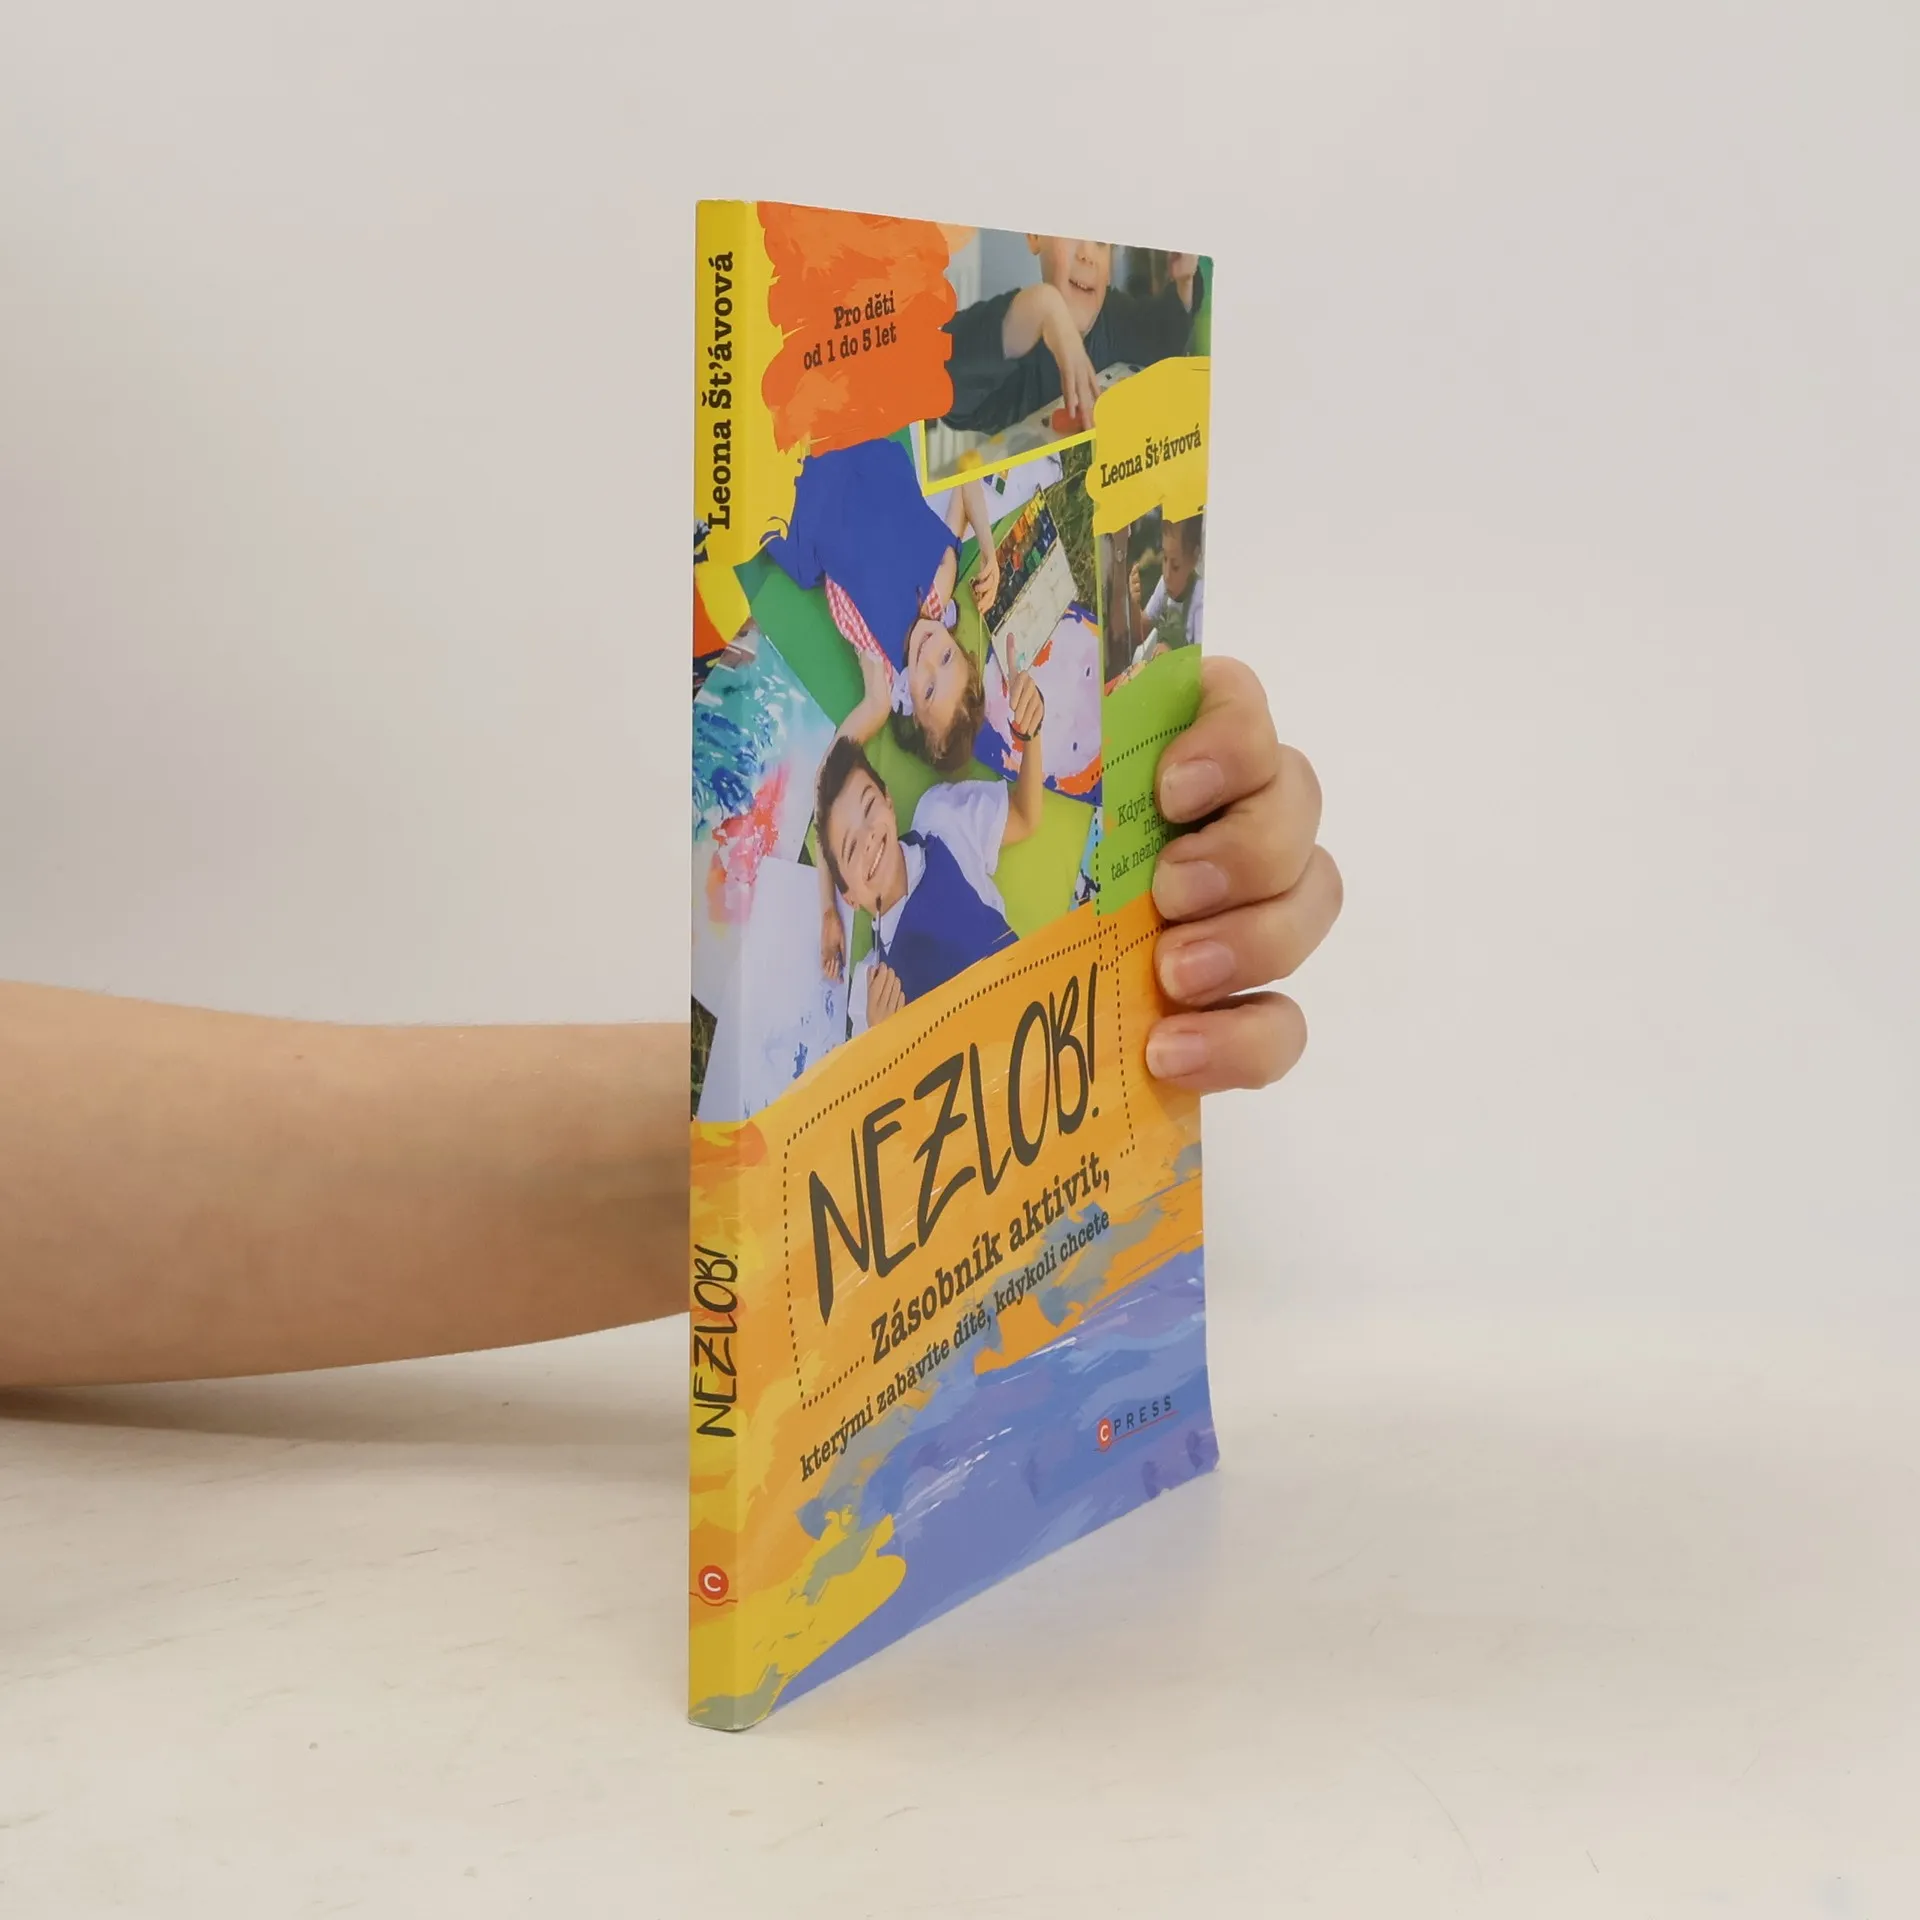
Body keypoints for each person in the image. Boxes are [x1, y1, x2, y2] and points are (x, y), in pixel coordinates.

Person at [0, 657, 1340, 1389]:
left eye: (868, 822)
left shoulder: (940, 838)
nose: (870, 842)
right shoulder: (860, 957)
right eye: (850, 840)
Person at [811, 651, 1046, 1031]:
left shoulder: (940, 816)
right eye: (851, 849)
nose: (868, 839)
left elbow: (1024, 817)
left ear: (889, 801)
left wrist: (1030, 732)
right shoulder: (868, 993)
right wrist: (885, 1040)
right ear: (848, 897)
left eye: (869, 807)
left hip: (1038, 1020)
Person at [759, 436, 1002, 773]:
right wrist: (989, 550)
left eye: (929, 689)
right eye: (947, 657)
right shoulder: (941, 583)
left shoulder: (882, 669)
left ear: (911, 710)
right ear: (958, 645)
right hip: (859, 450)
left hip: (810, 502)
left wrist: (822, 786)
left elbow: (863, 723)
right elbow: (966, 472)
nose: (930, 655)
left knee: (773, 525)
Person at [941, 239, 1203, 438]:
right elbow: (944, 375)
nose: (1087, 255)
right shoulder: (1022, 344)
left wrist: (1185, 282)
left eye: (1101, 242)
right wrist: (1043, 305)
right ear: (1035, 236)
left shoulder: (1115, 315)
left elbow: (1163, 338)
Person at [1131, 511, 1206, 661]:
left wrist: (1172, 656)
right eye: (1165, 559)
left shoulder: (1200, 598)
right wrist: (1134, 602)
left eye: (1175, 566)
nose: (1167, 574)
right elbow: (1140, 634)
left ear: (1195, 557)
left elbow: (1203, 661)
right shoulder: (1164, 586)